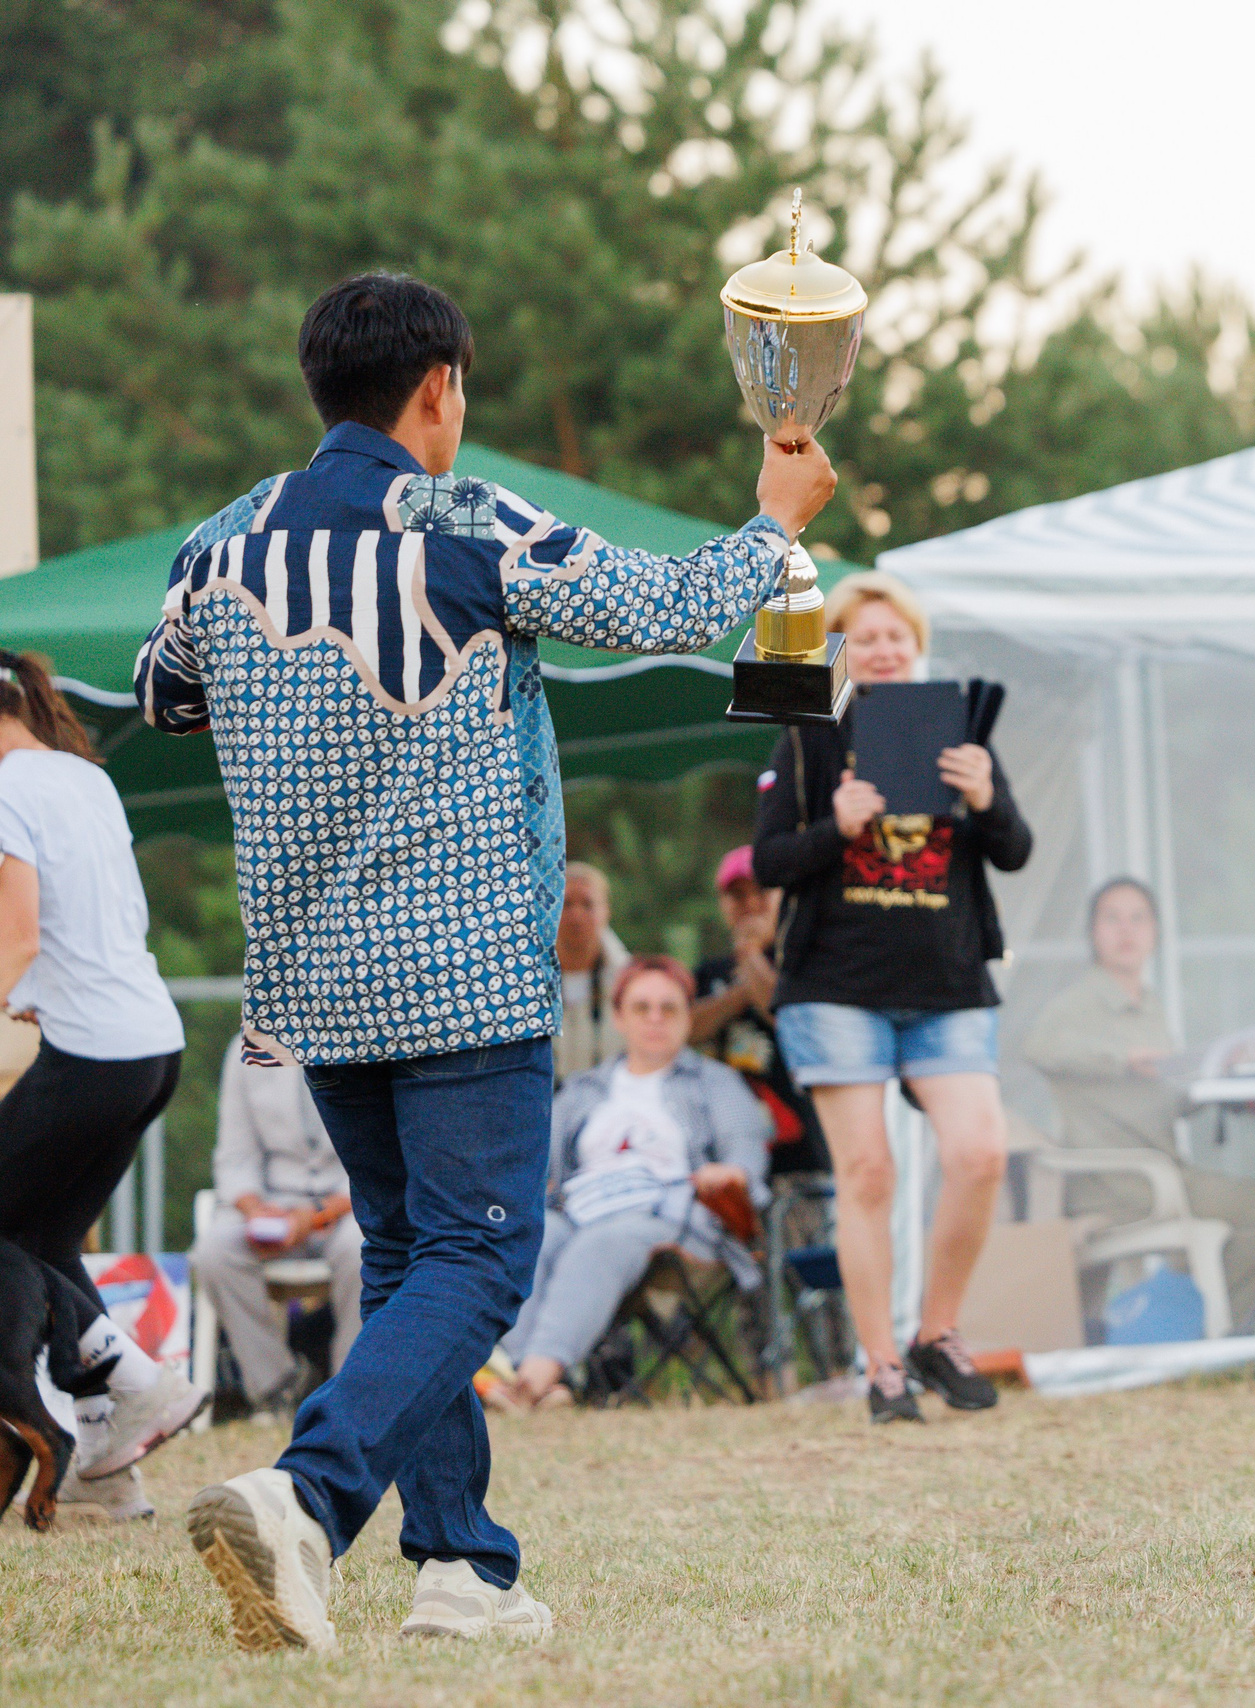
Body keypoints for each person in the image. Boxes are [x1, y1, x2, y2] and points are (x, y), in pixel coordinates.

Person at [136, 272, 835, 1650]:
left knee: (407, 1257)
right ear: (439, 388)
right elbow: (661, 607)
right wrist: (775, 526)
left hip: (312, 981)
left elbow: (166, 694)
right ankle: (308, 1500)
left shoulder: (220, 542)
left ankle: (464, 1564)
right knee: (481, 1259)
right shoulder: (454, 515)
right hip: (461, 967)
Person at [755, 569, 1032, 1425]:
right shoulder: (808, 736)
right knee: (866, 1173)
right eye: (864, 637)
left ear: (916, 649)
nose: (882, 650)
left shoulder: (958, 732)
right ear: (839, 651)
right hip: (836, 987)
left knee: (980, 1153)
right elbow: (768, 863)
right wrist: (834, 827)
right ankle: (880, 1368)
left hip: (947, 986)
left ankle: (935, 1333)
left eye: (895, 637)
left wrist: (985, 798)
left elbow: (1015, 851)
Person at [0, 650, 198, 1524]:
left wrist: (18, 987)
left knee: (9, 1234)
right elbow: (106, 919)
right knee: (39, 1234)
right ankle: (110, 1475)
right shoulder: (82, 779)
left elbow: (18, 935)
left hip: (91, 1057)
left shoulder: (8, 789)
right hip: (151, 1043)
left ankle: (134, 1379)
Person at [499, 958, 770, 1409]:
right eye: (641, 1007)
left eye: (670, 1008)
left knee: (605, 1241)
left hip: (677, 1220)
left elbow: (746, 1152)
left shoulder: (716, 1083)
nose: (656, 1018)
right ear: (620, 1016)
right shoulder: (584, 1089)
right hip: (581, 1210)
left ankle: (528, 1381)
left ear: (689, 1016)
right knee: (531, 1238)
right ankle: (540, 1385)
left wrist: (731, 1174)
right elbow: (537, 1169)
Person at [1026, 878, 1255, 1323]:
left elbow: (1163, 1095)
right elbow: (1037, 1048)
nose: (1125, 931)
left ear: (1155, 932)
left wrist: (1217, 1069)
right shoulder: (1075, 1005)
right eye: (1111, 918)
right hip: (1119, 1184)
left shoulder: (1150, 1005)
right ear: (1093, 932)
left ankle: (1215, 1328)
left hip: (1164, 1171)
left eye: (1138, 919)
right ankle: (1218, 1334)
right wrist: (1122, 1059)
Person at [194, 1038, 362, 1415]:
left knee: (367, 1247)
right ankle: (279, 1387)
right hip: (273, 1202)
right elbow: (234, 1158)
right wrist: (257, 1212)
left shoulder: (362, 1036)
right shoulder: (247, 1048)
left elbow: (385, 1161)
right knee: (214, 1252)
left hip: (349, 1204)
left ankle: (350, 1393)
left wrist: (316, 1215)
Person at [693, 848, 826, 1177]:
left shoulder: (807, 963)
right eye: (738, 896)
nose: (750, 905)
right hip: (717, 1148)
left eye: (761, 892)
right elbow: (686, 1029)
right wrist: (741, 991)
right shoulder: (706, 973)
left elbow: (783, 1014)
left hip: (798, 1150)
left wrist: (749, 954)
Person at [552, 863, 630, 1086]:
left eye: (588, 904)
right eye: (565, 904)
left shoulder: (630, 982)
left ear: (606, 910)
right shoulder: (523, 981)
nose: (576, 916)